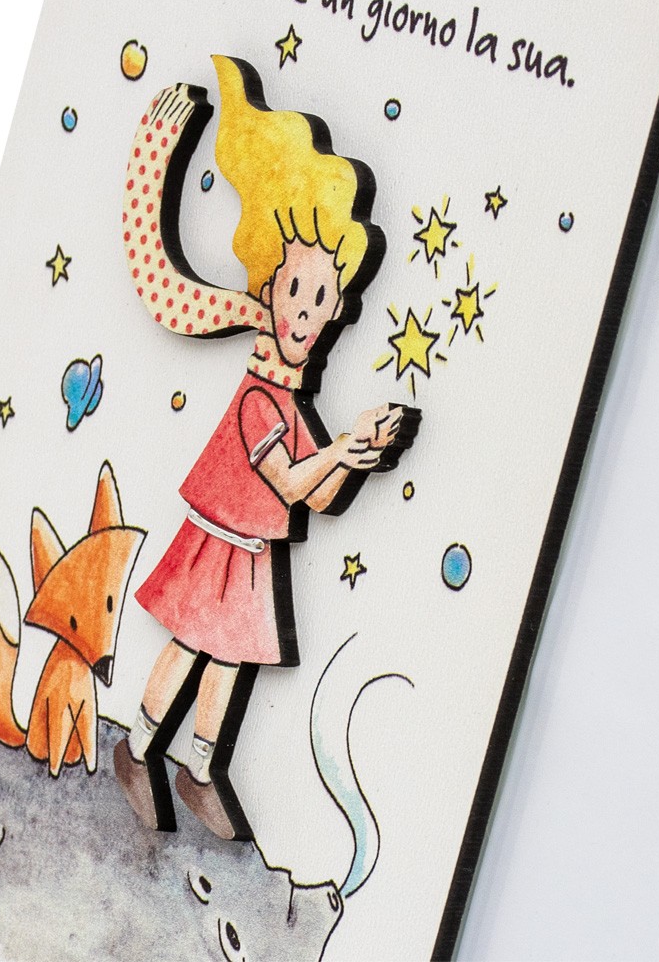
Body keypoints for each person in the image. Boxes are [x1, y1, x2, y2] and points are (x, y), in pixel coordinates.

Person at [114, 56, 419, 840]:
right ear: (268, 287)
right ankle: (138, 748)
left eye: (322, 300)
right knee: (192, 642)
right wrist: (155, 153)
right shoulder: (259, 399)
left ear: (338, 311)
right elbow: (286, 478)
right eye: (295, 292)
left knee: (232, 656)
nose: (304, 313)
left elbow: (319, 494)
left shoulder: (292, 401)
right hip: (222, 538)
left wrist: (357, 452)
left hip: (254, 551)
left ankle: (199, 769)